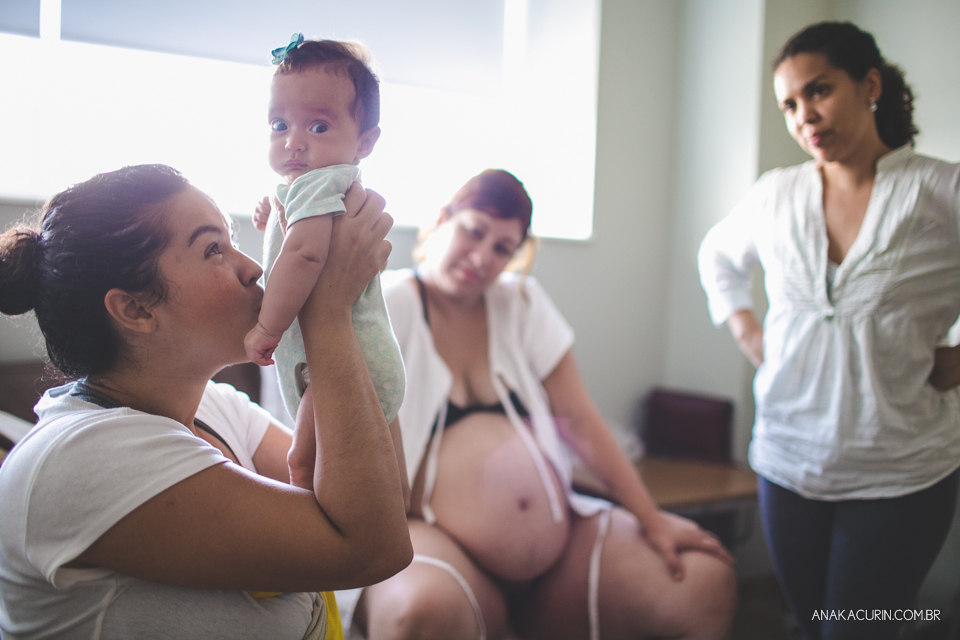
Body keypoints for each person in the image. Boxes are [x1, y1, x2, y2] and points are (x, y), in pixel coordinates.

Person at [0, 164, 412, 639]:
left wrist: (354, 306)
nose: (253, 268)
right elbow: (372, 546)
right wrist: (327, 312)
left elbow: (384, 498)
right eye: (213, 249)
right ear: (135, 309)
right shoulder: (78, 458)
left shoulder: (215, 405)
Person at [342, 169, 737, 640]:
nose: (482, 258)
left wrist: (651, 520)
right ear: (443, 218)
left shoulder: (521, 304)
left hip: (560, 552)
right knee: (418, 614)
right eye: (474, 231)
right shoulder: (387, 306)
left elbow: (583, 422)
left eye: (502, 249)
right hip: (433, 538)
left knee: (705, 579)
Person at [698, 21, 960, 640]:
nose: (804, 116)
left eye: (819, 91)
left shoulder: (939, 189)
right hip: (788, 461)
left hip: (901, 471)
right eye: (789, 104)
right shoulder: (775, 195)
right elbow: (718, 258)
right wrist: (747, 332)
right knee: (808, 623)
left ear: (869, 85)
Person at [246, 35, 405, 463]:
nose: (293, 141)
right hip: (356, 359)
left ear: (364, 142)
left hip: (347, 363)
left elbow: (305, 256)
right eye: (280, 125)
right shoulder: (315, 188)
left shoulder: (320, 183)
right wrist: (271, 223)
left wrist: (266, 328)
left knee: (304, 461)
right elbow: (295, 240)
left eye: (318, 126)